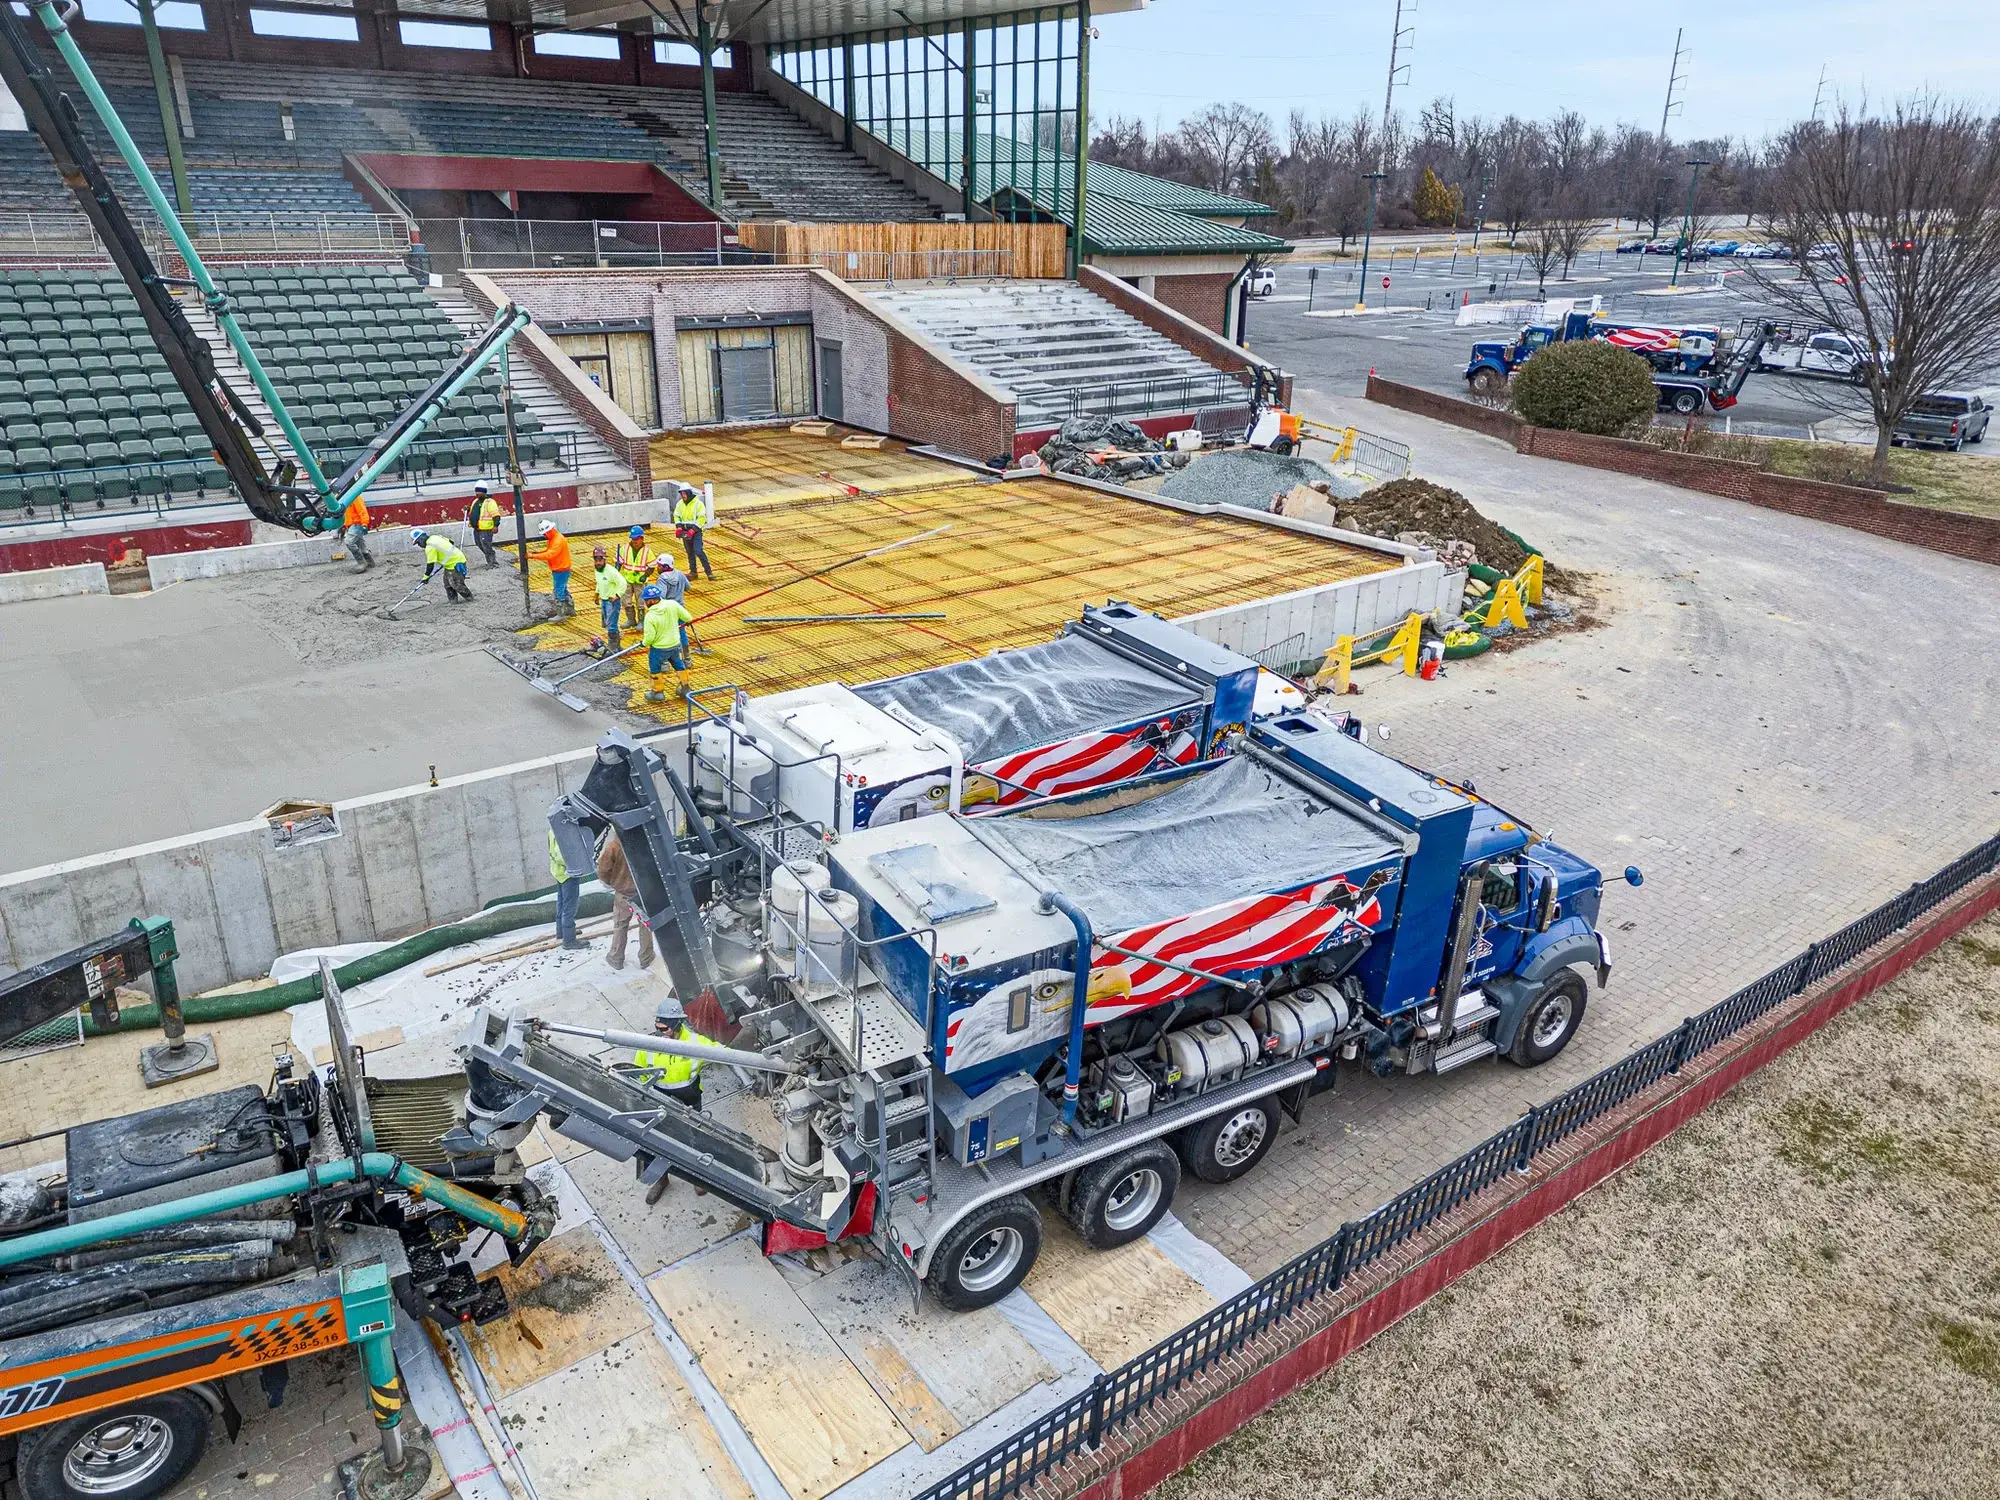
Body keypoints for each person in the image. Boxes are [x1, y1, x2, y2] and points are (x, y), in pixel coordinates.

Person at [631, 995, 710, 1112]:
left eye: (664, 1029)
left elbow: (726, 1053)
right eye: (657, 1028)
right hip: (660, 1095)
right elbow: (639, 1073)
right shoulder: (647, 1046)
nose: (659, 1033)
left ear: (677, 1026)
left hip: (690, 1097)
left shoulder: (696, 1043)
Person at [596, 830, 654, 972]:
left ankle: (616, 958)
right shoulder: (644, 843)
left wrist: (611, 882)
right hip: (643, 892)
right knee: (645, 926)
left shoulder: (614, 846)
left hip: (623, 893)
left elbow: (603, 870)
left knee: (621, 925)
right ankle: (646, 957)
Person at [640, 583, 694, 704]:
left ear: (652, 600)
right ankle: (685, 689)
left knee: (655, 669)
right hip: (674, 644)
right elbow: (688, 617)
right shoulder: (672, 604)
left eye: (646, 600)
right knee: (679, 665)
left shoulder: (650, 616)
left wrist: (643, 643)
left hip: (658, 649)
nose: (645, 603)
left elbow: (649, 638)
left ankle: (657, 693)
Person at [523, 520, 573, 614]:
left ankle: (561, 613)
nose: (544, 536)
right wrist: (535, 554)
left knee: (558, 591)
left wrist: (533, 556)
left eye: (544, 534)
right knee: (563, 589)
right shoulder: (554, 539)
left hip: (561, 569)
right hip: (561, 568)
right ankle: (570, 609)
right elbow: (548, 551)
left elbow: (550, 555)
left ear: (548, 531)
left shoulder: (558, 540)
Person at [548, 829, 586, 950]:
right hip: (568, 874)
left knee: (561, 904)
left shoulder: (552, 830)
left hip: (558, 872)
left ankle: (562, 932)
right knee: (570, 907)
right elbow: (561, 856)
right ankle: (569, 940)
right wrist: (577, 863)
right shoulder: (562, 833)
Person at [411, 528, 471, 601]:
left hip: (455, 563)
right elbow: (451, 542)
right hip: (451, 562)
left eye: (418, 543)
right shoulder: (435, 536)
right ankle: (453, 601)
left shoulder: (429, 547)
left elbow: (430, 565)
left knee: (456, 584)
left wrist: (425, 577)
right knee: (448, 585)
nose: (419, 545)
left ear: (421, 539)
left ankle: (469, 597)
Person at [671, 482, 715, 580]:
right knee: (690, 552)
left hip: (696, 532)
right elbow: (676, 515)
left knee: (698, 551)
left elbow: (701, 518)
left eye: (684, 493)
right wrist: (678, 527)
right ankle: (693, 572)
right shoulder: (680, 504)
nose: (683, 496)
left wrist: (693, 530)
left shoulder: (698, 504)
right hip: (685, 531)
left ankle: (709, 572)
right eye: (681, 494)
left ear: (689, 493)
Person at [616, 525, 655, 630]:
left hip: (640, 581)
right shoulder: (624, 549)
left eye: (636, 539)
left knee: (641, 602)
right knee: (626, 600)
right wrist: (616, 572)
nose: (634, 541)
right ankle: (631, 620)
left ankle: (641, 621)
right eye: (633, 539)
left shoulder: (647, 551)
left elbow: (652, 566)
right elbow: (619, 562)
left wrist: (646, 575)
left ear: (642, 538)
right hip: (627, 579)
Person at [591, 543, 628, 655]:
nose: (598, 563)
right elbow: (600, 582)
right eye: (596, 560)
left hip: (612, 602)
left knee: (611, 624)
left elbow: (623, 583)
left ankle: (612, 647)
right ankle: (617, 647)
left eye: (600, 560)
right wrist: (597, 594)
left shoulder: (611, 571)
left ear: (604, 560)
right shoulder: (598, 570)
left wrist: (617, 595)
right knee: (608, 623)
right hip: (604, 600)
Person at [466, 484, 505, 567]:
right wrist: (468, 509)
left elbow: (496, 515)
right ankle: (490, 559)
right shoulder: (475, 501)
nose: (477, 493)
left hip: (486, 529)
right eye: (476, 491)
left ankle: (493, 562)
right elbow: (474, 511)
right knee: (478, 543)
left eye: (479, 492)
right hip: (477, 528)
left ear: (484, 492)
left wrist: (496, 525)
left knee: (486, 544)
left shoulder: (490, 502)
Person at [341, 491, 373, 573]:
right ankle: (370, 562)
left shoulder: (354, 497)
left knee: (349, 542)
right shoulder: (345, 498)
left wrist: (364, 524)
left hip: (357, 523)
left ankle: (361, 563)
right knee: (360, 544)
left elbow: (362, 510)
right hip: (352, 524)